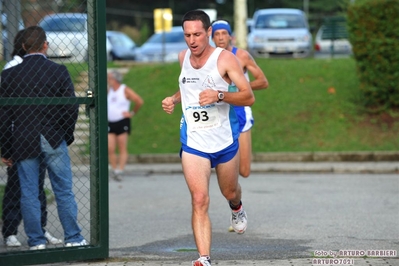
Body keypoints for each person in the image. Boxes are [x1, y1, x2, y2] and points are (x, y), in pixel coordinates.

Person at [161, 10, 255, 266]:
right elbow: (187, 87)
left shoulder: (225, 60)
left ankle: (237, 207)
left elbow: (248, 96)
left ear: (209, 33)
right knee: (200, 199)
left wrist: (220, 96)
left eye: (197, 34)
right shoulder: (183, 57)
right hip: (194, 142)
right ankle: (204, 258)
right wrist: (173, 99)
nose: (192, 40)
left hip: (224, 140)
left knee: (229, 190)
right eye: (187, 35)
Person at [0, 26, 87, 250]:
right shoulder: (58, 71)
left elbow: (3, 116)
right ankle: (74, 238)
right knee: (64, 190)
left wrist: (6, 149)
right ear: (45, 45)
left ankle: (36, 241)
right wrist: (65, 135)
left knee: (28, 193)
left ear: (23, 47)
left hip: (23, 139)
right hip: (53, 136)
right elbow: (70, 109)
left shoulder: (8, 76)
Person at [1, 29, 62, 247]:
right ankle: (10, 230)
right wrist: (6, 146)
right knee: (17, 186)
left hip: (38, 135)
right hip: (20, 136)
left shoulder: (39, 67)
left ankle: (39, 230)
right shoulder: (12, 68)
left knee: (36, 186)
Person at [212, 19, 269, 178]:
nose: (221, 37)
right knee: (221, 166)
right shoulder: (209, 58)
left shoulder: (242, 55)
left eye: (224, 33)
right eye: (217, 34)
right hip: (218, 113)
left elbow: (263, 82)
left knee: (244, 171)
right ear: (212, 38)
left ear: (230, 36)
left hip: (240, 111)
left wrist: (240, 87)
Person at [107, 70, 144, 181]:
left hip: (122, 121)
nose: (108, 80)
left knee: (122, 146)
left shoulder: (124, 89)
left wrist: (131, 113)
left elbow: (139, 101)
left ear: (114, 79)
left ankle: (121, 170)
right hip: (110, 122)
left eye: (109, 78)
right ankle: (114, 169)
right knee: (110, 147)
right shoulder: (109, 90)